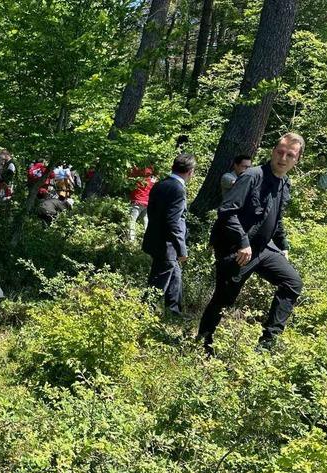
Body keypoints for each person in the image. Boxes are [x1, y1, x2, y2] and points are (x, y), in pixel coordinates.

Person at [198, 133, 305, 352]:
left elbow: (276, 217)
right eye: (280, 152)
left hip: (263, 248)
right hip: (236, 248)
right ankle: (203, 343)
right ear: (273, 151)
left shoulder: (284, 183)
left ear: (297, 160)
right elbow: (227, 211)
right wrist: (242, 242)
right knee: (224, 299)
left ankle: (266, 345)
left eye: (289, 155)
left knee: (292, 283)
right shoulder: (252, 176)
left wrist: (283, 245)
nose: (283, 158)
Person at [142, 153, 196, 317]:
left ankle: (174, 312)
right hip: (168, 245)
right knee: (158, 282)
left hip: (155, 239)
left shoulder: (160, 184)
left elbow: (152, 212)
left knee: (175, 276)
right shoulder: (178, 189)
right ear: (190, 171)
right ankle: (143, 313)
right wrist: (182, 249)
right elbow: (173, 222)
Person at [127, 166, 156, 242]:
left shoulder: (137, 171)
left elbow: (128, 176)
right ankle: (149, 239)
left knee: (132, 220)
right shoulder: (152, 176)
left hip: (137, 201)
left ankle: (131, 240)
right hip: (147, 202)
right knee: (146, 220)